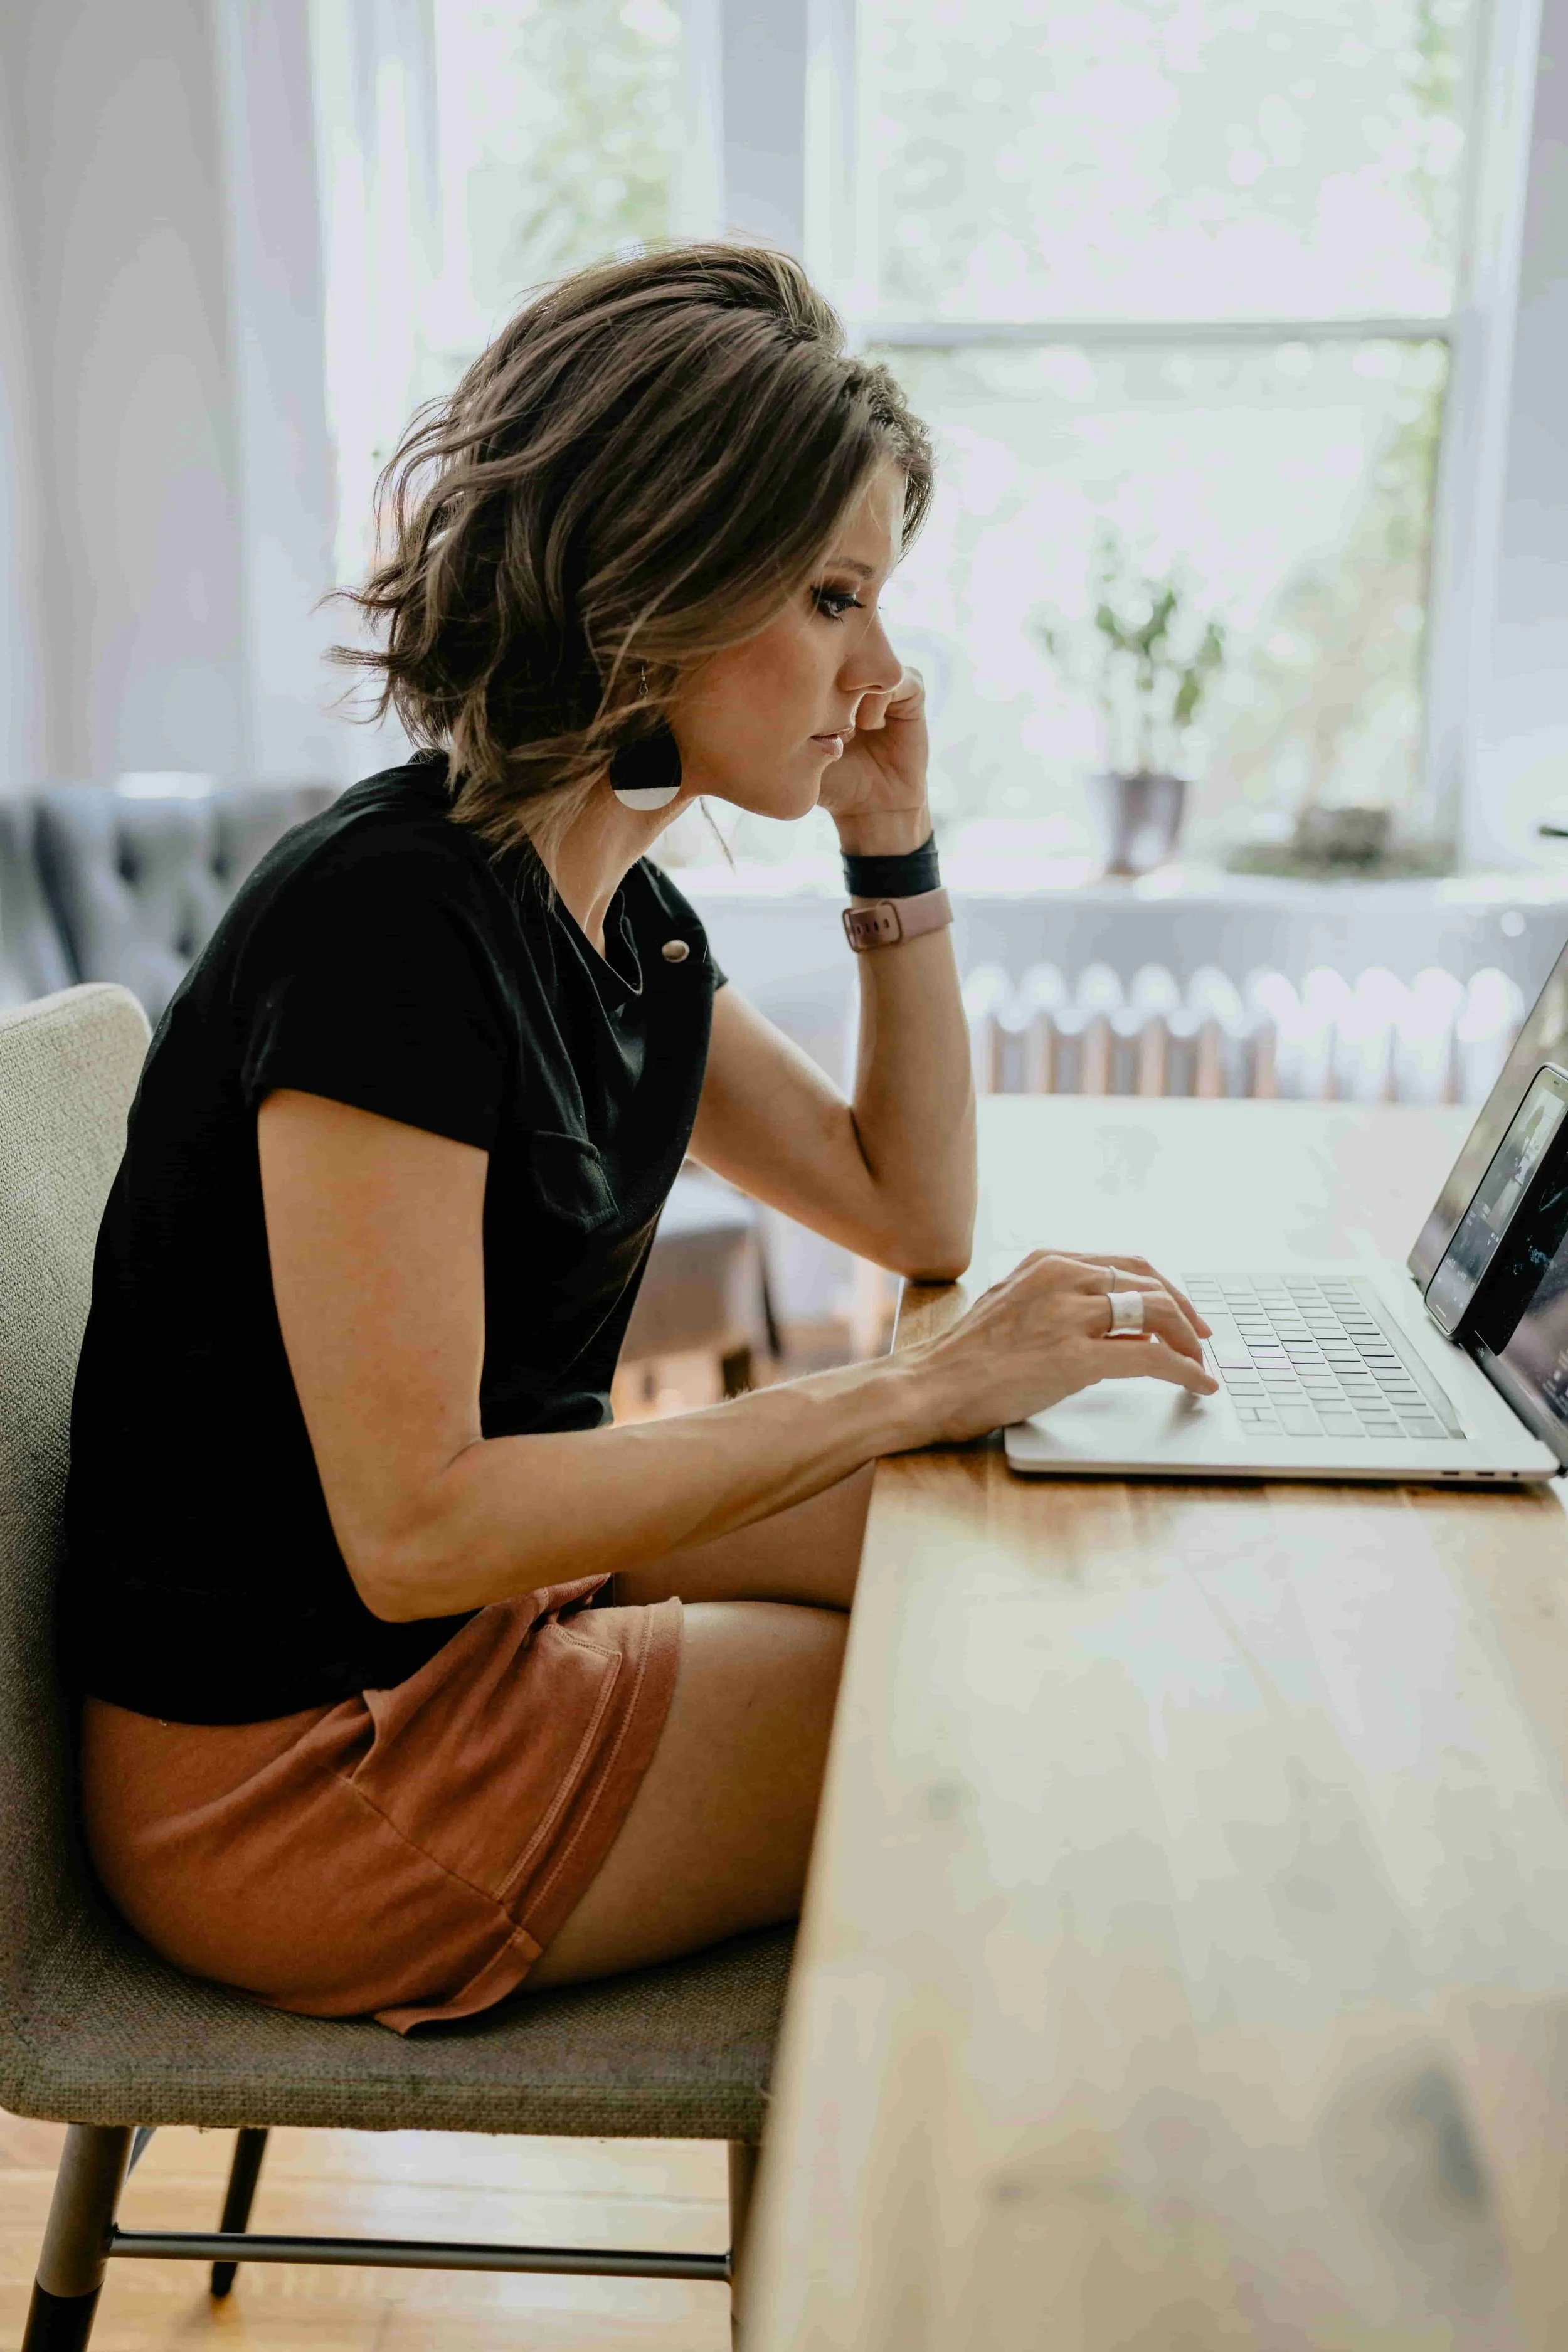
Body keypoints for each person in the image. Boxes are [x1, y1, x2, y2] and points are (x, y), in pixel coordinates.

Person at [63, 246, 1214, 2030]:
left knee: (1016, 1550)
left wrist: (890, 846)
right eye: (836, 597)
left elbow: (910, 1203)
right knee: (1001, 1685)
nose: (881, 668)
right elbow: (416, 1529)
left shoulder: (623, 925)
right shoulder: (388, 927)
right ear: (659, 576)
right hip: (308, 1768)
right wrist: (907, 1387)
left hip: (479, 1627)